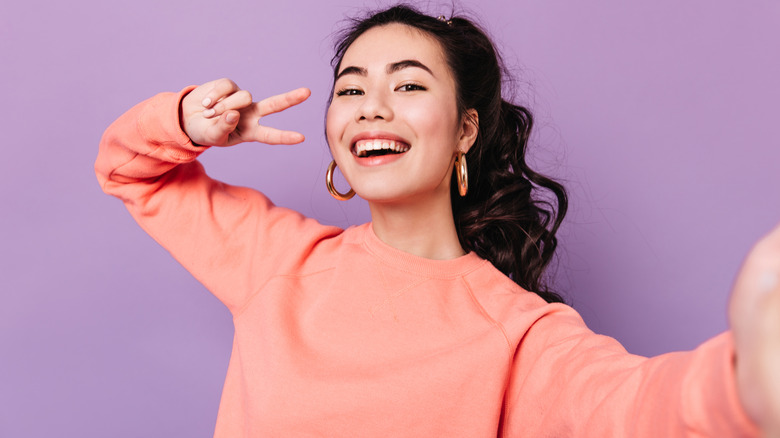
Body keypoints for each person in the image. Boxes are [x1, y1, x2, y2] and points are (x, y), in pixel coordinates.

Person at [95, 4, 779, 437]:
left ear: (464, 130)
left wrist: (743, 380)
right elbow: (129, 172)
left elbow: (634, 407)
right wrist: (183, 121)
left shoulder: (519, 332)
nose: (371, 106)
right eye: (352, 88)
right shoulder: (277, 260)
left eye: (410, 84)